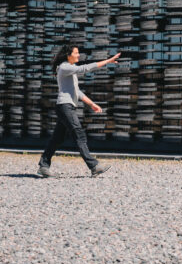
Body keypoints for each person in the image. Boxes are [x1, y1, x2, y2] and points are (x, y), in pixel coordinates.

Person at [37, 44, 121, 178]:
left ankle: (43, 166)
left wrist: (92, 104)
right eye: (76, 53)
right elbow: (85, 68)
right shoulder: (65, 67)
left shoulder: (69, 70)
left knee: (57, 139)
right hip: (65, 107)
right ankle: (94, 166)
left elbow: (77, 92)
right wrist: (108, 61)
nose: (78, 55)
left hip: (66, 107)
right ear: (68, 55)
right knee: (79, 134)